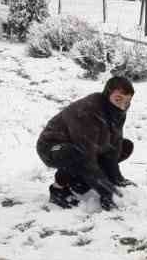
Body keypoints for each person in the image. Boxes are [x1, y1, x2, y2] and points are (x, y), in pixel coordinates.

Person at [38, 76, 136, 209]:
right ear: (107, 94)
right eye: (118, 99)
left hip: (83, 145)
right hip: (52, 147)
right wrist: (106, 190)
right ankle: (58, 190)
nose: (123, 105)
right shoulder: (87, 111)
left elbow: (115, 143)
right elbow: (86, 154)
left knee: (124, 146)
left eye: (127, 101)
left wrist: (116, 179)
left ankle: (79, 182)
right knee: (75, 153)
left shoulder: (117, 110)